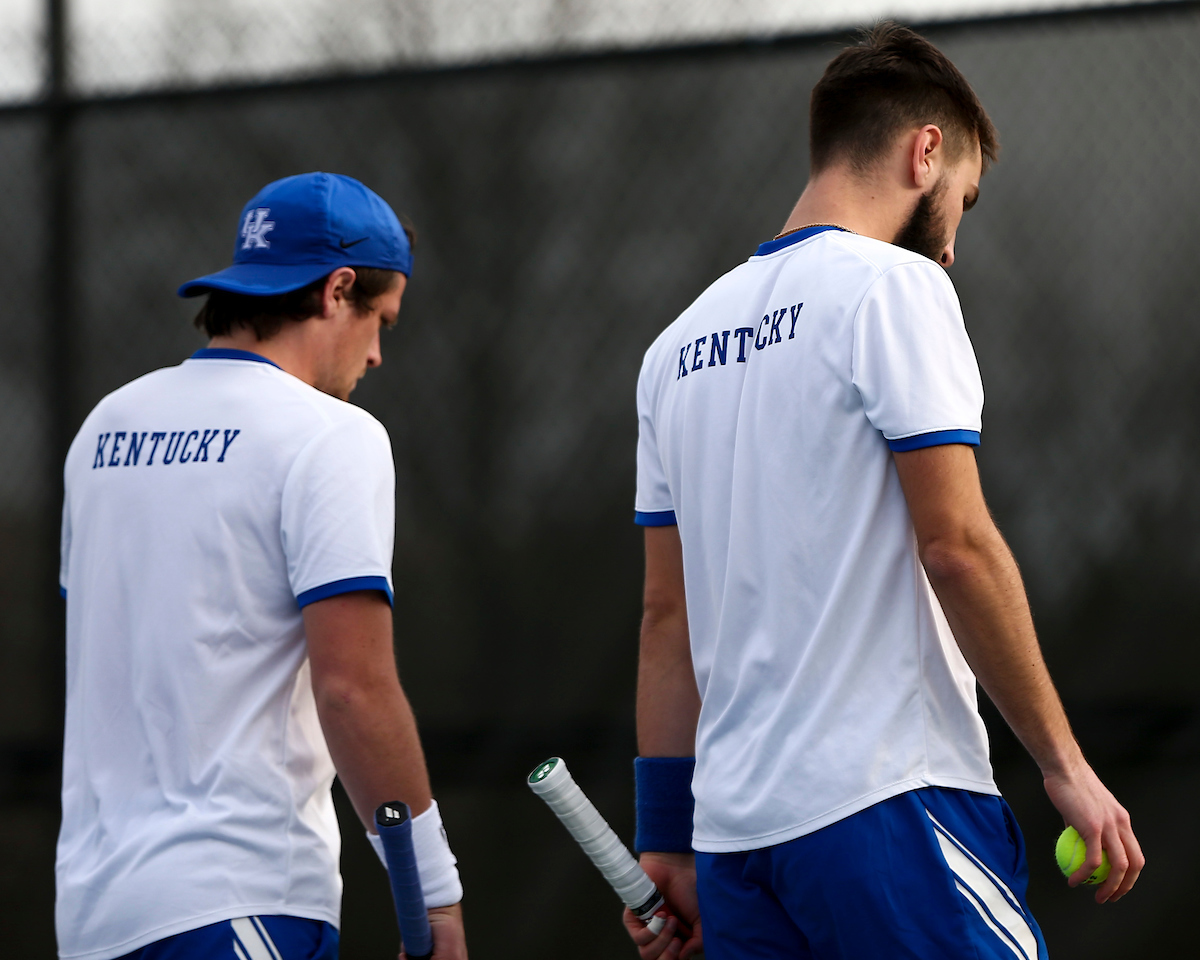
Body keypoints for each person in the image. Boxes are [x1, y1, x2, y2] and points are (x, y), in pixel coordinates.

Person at [626, 24, 1143, 960]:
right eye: (964, 201)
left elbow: (667, 618)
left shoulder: (672, 351)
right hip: (891, 806)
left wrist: (667, 843)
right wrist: (1065, 767)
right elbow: (957, 544)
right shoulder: (893, 288)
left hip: (739, 848)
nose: (952, 244)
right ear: (925, 151)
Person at [56, 172, 467, 960]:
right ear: (337, 290)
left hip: (93, 918)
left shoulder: (106, 427)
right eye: (380, 320)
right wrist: (436, 898)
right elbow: (352, 688)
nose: (379, 354)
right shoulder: (331, 435)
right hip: (239, 900)